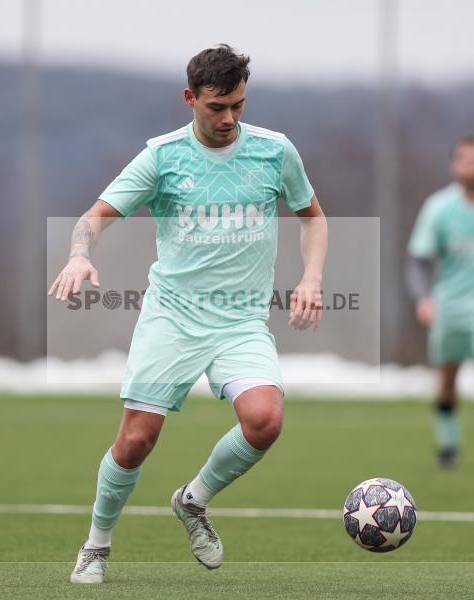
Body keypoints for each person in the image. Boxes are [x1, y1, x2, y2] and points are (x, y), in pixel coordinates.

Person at [48, 44, 327, 584]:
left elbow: (312, 217)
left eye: (238, 106)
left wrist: (311, 278)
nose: (228, 119)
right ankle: (96, 545)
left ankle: (193, 500)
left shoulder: (275, 151)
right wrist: (80, 254)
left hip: (241, 322)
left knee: (265, 421)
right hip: (172, 318)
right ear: (190, 99)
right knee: (135, 441)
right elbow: (94, 217)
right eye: (216, 107)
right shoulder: (161, 156)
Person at [406, 134, 474, 471]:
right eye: (465, 159)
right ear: (455, 164)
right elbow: (418, 260)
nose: (472, 166)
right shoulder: (439, 207)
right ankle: (449, 445)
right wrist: (423, 298)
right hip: (450, 303)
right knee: (446, 379)